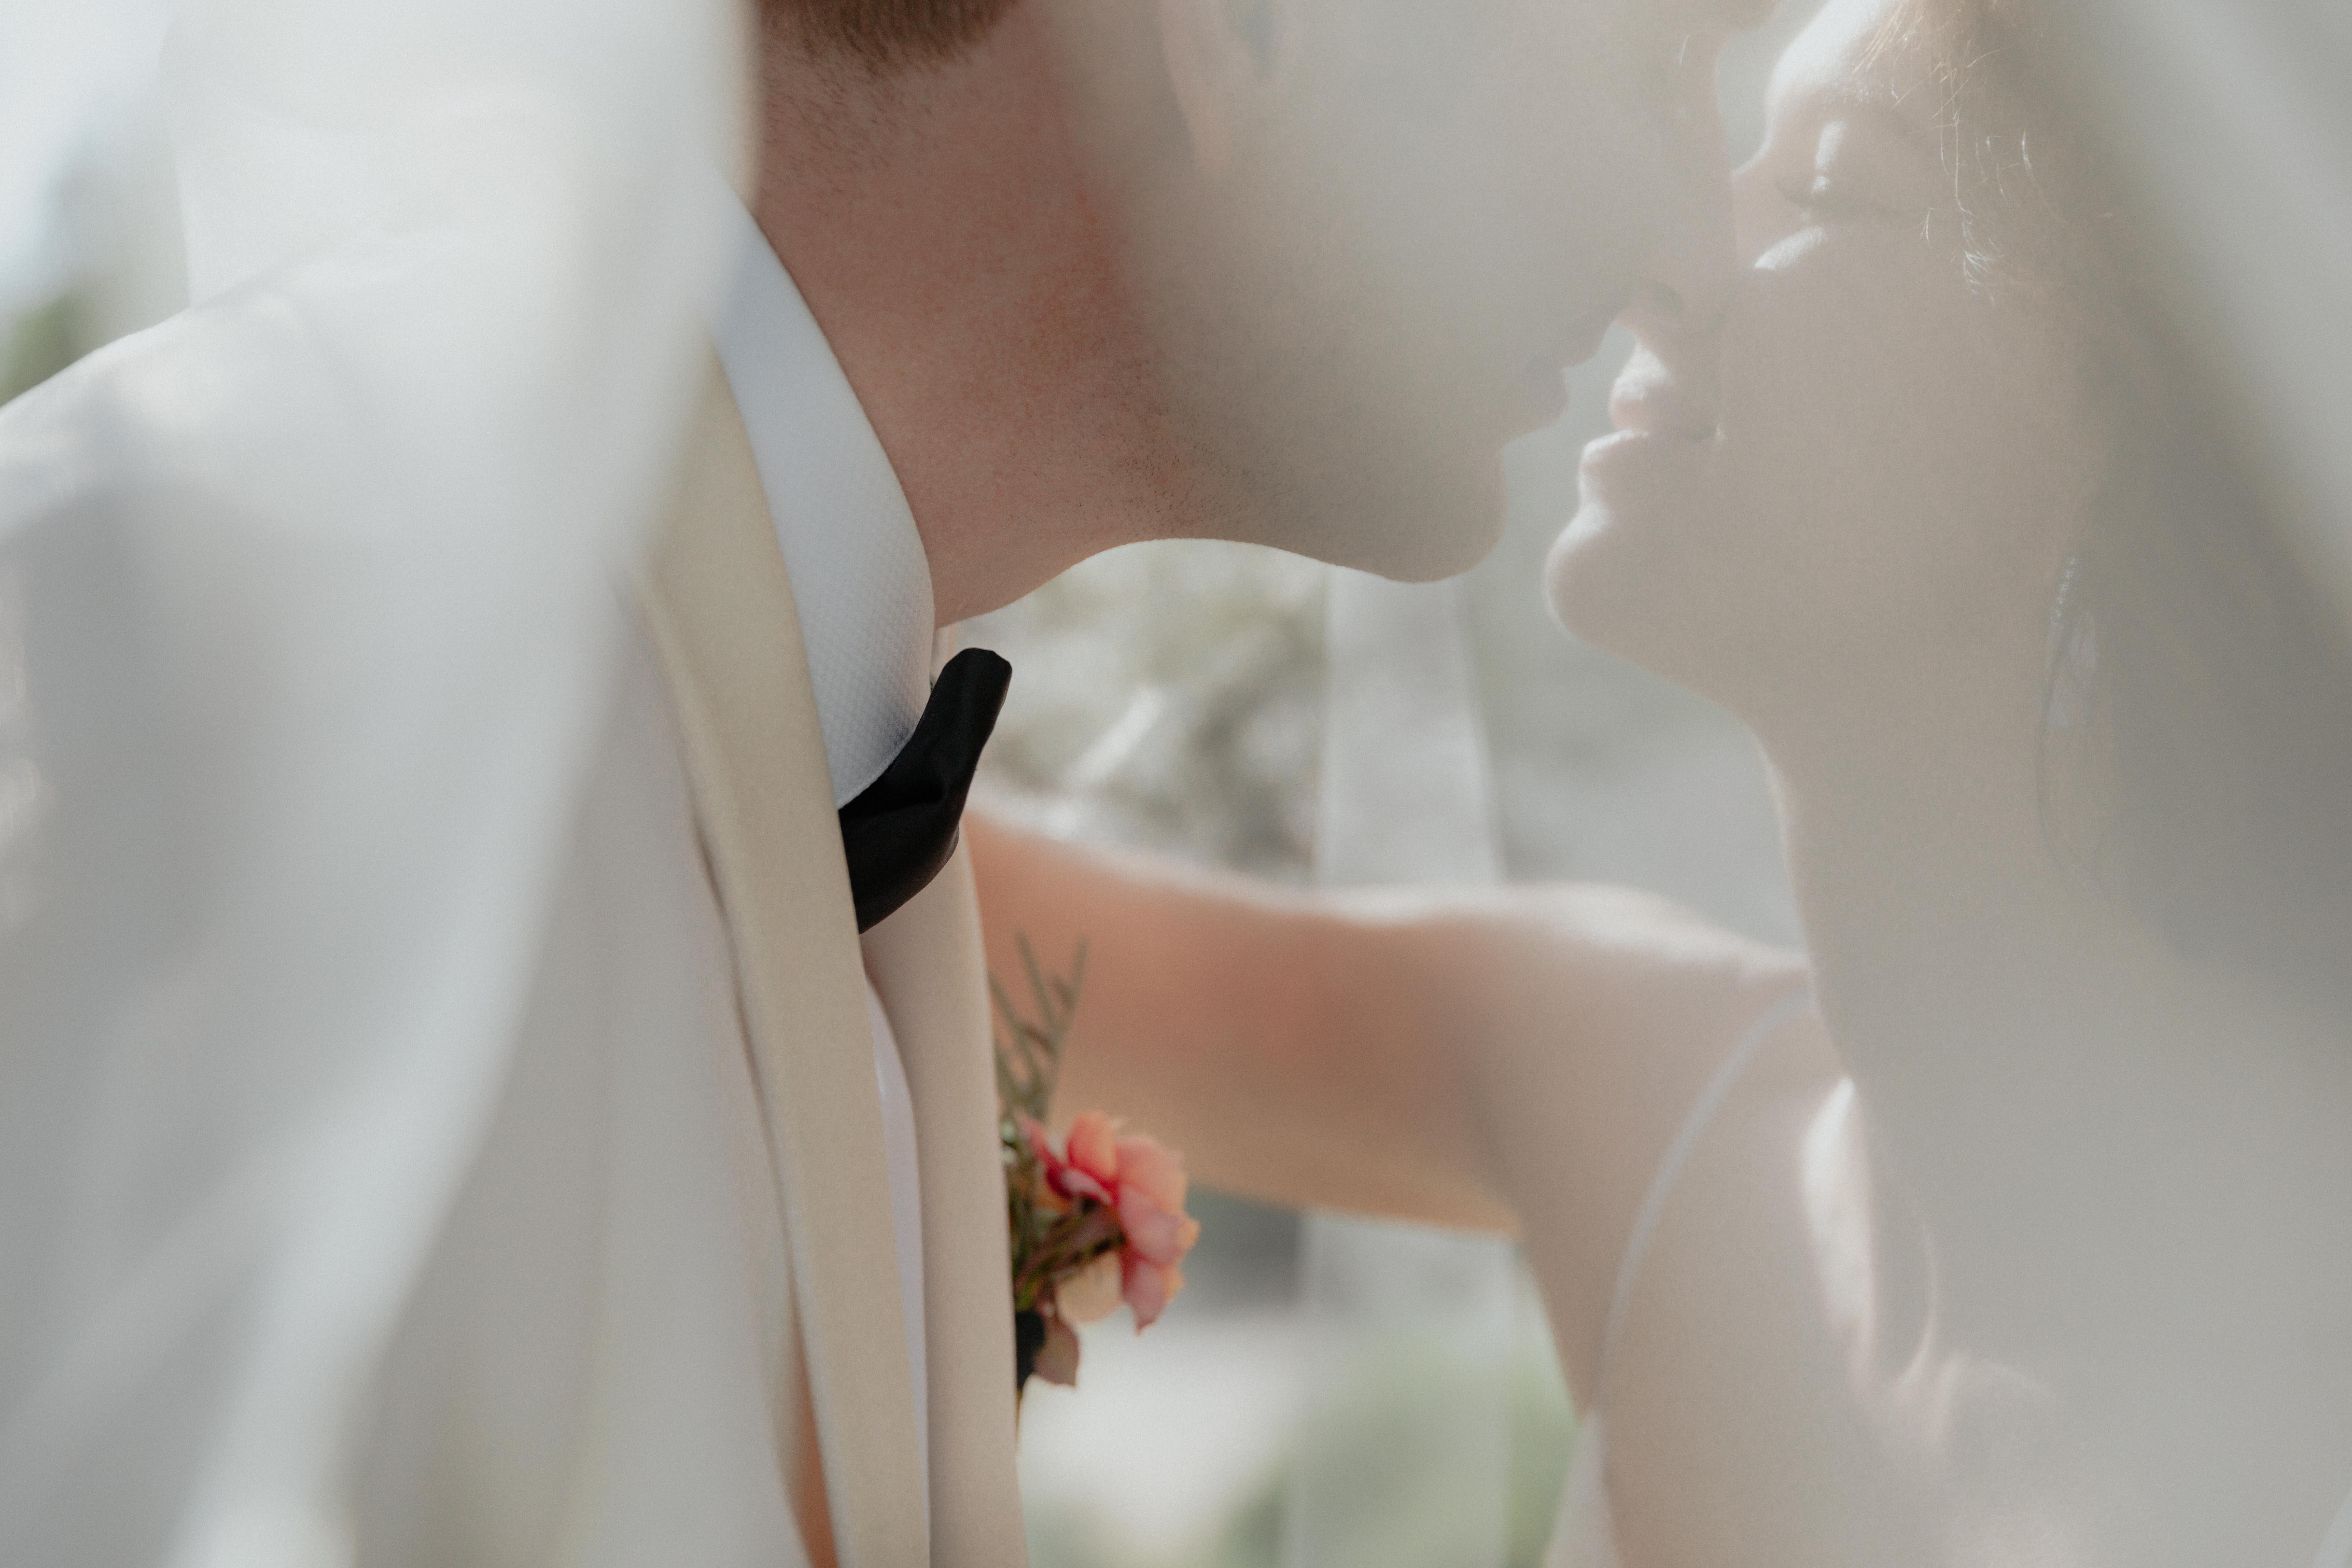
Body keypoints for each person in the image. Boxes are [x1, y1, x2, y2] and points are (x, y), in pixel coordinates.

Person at [0, 0, 1768, 1561]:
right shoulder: (161, 633)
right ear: (1249, 25)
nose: (1694, 251)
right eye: (1652, 55)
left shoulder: (828, 782)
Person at [971, 0, 2352, 1560]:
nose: (1667, 261)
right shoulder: (1637, 1095)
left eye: (1831, 188)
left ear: (2130, 411)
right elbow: (927, 895)